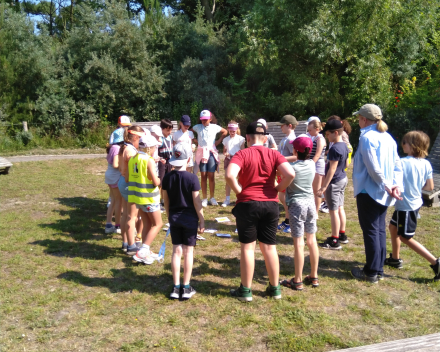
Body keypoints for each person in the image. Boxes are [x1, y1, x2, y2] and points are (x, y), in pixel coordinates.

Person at [226, 121, 295, 302]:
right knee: (269, 246)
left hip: (248, 203)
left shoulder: (242, 153)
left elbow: (229, 175)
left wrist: (239, 191)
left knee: (248, 248)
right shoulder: (274, 154)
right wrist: (278, 188)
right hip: (270, 205)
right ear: (265, 138)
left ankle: (246, 291)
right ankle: (275, 288)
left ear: (247, 138)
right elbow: (290, 174)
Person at [351, 104, 403, 283]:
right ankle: (377, 268)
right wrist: (395, 185)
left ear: (364, 119)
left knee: (372, 230)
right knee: (379, 229)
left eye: (359, 118)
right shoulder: (388, 137)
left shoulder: (367, 137)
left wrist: (387, 184)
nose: (358, 121)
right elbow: (397, 165)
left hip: (370, 190)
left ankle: (371, 271)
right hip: (384, 191)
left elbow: (372, 166)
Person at [384, 131, 439, 281]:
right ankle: (395, 259)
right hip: (413, 204)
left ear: (413, 146)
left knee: (405, 237)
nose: (402, 145)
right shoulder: (426, 163)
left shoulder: (401, 163)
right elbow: (429, 186)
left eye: (405, 142)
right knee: (393, 227)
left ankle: (436, 263)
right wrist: (416, 185)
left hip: (406, 206)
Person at [162, 144, 205, 299]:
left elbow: (165, 201)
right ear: (188, 159)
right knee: (188, 252)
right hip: (190, 219)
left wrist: (169, 216)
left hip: (174, 218)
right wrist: (202, 219)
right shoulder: (192, 178)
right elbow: (197, 201)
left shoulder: (167, 177)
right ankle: (186, 287)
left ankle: (175, 287)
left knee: (176, 251)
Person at [280, 134, 320, 290]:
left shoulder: (292, 169)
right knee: (312, 241)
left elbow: (285, 177)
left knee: (299, 243)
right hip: (311, 204)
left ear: (295, 150)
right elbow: (298, 159)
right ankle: (314, 276)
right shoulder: (311, 164)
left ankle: (297, 280)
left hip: (297, 205)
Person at [131, 134, 163, 264]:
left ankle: (146, 251)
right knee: (158, 224)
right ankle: (143, 250)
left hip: (138, 197)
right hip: (149, 197)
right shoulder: (148, 160)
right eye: (155, 147)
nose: (156, 149)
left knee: (147, 224)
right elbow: (155, 182)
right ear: (149, 148)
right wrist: (161, 179)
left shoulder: (134, 158)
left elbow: (129, 178)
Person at [317, 120, 349, 250]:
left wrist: (324, 186)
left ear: (336, 133)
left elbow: (332, 169)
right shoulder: (344, 145)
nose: (327, 137)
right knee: (340, 207)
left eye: (328, 134)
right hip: (343, 179)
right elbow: (346, 165)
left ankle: (334, 240)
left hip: (334, 182)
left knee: (333, 211)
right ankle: (342, 234)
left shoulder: (335, 148)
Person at [117, 125, 145, 254]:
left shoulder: (126, 148)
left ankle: (125, 242)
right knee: (132, 216)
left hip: (123, 182)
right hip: (129, 183)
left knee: (126, 215)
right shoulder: (131, 151)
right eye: (140, 138)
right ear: (134, 137)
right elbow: (136, 171)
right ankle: (131, 245)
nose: (140, 141)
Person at [192, 110, 228, 207]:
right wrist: (195, 141)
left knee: (211, 175)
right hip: (202, 153)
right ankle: (204, 198)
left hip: (211, 153)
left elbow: (225, 131)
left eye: (206, 119)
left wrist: (218, 141)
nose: (204, 121)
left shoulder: (214, 127)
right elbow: (189, 132)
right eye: (202, 119)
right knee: (203, 175)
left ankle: (212, 197)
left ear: (210, 119)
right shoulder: (197, 127)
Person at [276, 115, 297, 233]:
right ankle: (288, 220)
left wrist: (281, 158)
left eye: (282, 125)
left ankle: (291, 222)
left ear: (289, 125)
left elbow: (296, 156)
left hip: (288, 171)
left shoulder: (291, 140)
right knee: (283, 197)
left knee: (286, 198)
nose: (280, 128)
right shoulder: (286, 138)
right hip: (282, 171)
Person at [222, 120, 245, 207]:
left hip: (238, 160)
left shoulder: (241, 139)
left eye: (234, 131)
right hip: (228, 160)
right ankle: (227, 199)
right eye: (230, 131)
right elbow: (224, 151)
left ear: (236, 130)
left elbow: (243, 150)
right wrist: (226, 154)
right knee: (228, 180)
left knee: (240, 179)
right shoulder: (226, 140)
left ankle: (240, 198)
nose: (232, 133)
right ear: (228, 130)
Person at [104, 131, 124, 234]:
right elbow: (116, 164)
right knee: (118, 201)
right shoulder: (117, 148)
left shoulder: (112, 147)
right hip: (115, 177)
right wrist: (123, 166)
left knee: (112, 200)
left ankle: (108, 224)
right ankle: (117, 225)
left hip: (109, 176)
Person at [307, 117, 327, 216]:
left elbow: (318, 154)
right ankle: (312, 210)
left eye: (310, 130)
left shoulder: (320, 139)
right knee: (312, 189)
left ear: (317, 129)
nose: (309, 131)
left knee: (317, 190)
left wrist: (309, 165)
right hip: (313, 164)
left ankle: (316, 212)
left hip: (318, 165)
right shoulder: (313, 137)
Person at [157, 119, 174, 206]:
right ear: (162, 129)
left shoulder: (170, 138)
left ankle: (165, 198)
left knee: (168, 180)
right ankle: (159, 199)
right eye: (167, 130)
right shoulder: (160, 139)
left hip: (169, 161)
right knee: (161, 181)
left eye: (170, 130)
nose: (169, 132)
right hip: (161, 162)